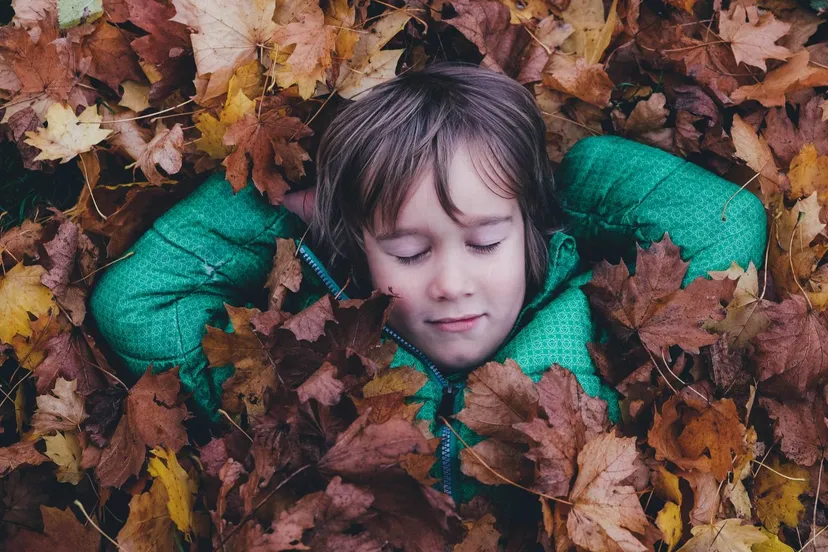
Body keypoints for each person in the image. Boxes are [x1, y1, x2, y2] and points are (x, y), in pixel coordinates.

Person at [89, 62, 768, 506]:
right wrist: (281, 206)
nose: (452, 282)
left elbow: (728, 224)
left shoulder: (604, 330)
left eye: (485, 241)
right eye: (409, 251)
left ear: (528, 232)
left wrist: (564, 184)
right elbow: (135, 302)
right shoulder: (305, 369)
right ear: (359, 253)